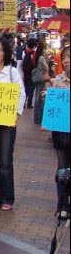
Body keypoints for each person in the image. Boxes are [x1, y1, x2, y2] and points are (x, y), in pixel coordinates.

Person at [0, 37, 25, 211]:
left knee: (6, 161)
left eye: (0, 50)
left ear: (6, 53)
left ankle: (8, 197)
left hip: (7, 123)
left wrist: (16, 114)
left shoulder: (12, 72)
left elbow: (21, 94)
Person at [49, 44, 69, 218]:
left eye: (69, 57)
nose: (67, 60)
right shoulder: (58, 80)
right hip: (61, 132)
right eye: (65, 58)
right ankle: (62, 205)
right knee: (62, 169)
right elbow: (53, 107)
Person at [33, 41, 49, 125]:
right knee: (40, 98)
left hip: (36, 78)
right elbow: (46, 67)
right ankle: (39, 118)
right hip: (41, 78)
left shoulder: (36, 56)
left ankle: (36, 118)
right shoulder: (42, 57)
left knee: (37, 98)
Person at [22, 38, 37, 108]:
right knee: (31, 88)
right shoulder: (34, 53)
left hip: (25, 73)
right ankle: (29, 103)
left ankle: (23, 102)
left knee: (25, 88)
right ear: (34, 45)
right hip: (31, 73)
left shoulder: (24, 52)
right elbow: (34, 63)